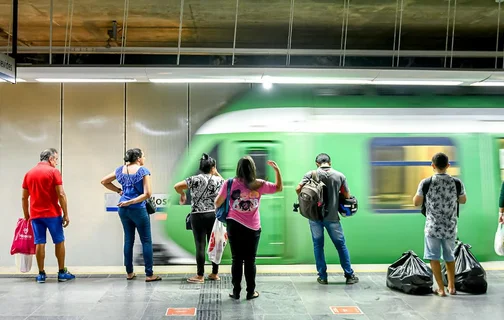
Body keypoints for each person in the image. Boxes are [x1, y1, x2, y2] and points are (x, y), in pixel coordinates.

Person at [215, 156, 282, 300]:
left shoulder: (229, 183)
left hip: (234, 225)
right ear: (253, 169)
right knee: (250, 260)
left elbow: (217, 202)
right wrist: (277, 171)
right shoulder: (259, 184)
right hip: (253, 227)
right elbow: (278, 188)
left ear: (238, 168)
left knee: (236, 259)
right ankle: (251, 292)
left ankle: (236, 292)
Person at [296, 153, 359, 285]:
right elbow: (347, 195)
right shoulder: (340, 176)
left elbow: (298, 189)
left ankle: (323, 277)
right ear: (329, 163)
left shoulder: (310, 174)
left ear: (317, 164)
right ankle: (349, 275)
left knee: (318, 245)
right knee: (341, 246)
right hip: (332, 217)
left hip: (314, 217)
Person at [101, 148, 161, 282]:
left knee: (128, 240)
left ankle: (129, 272)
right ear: (138, 158)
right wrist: (131, 201)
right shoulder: (143, 171)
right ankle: (149, 274)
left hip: (123, 209)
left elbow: (104, 181)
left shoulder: (120, 170)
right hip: (138, 209)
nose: (144, 159)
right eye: (143, 156)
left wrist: (118, 191)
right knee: (146, 240)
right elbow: (147, 194)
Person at [413, 152, 466, 296]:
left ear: (433, 165)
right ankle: (452, 287)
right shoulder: (457, 183)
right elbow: (463, 200)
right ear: (448, 165)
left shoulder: (426, 182)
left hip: (432, 227)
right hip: (450, 227)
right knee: (449, 256)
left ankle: (441, 289)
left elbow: (416, 202)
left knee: (433, 257)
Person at [22, 148, 75, 283]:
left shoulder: (29, 174)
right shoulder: (53, 172)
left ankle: (41, 274)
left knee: (39, 242)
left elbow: (24, 198)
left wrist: (27, 215)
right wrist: (66, 214)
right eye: (56, 159)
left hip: (35, 215)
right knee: (59, 241)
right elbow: (61, 194)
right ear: (51, 159)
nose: (56, 162)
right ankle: (62, 272)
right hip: (52, 214)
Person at [173, 153, 224, 283]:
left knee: (200, 245)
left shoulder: (195, 179)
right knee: (214, 244)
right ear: (213, 167)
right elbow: (226, 186)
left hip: (198, 215)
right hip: (213, 215)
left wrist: (182, 194)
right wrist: (216, 172)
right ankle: (214, 273)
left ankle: (200, 276)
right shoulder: (219, 180)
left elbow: (177, 186)